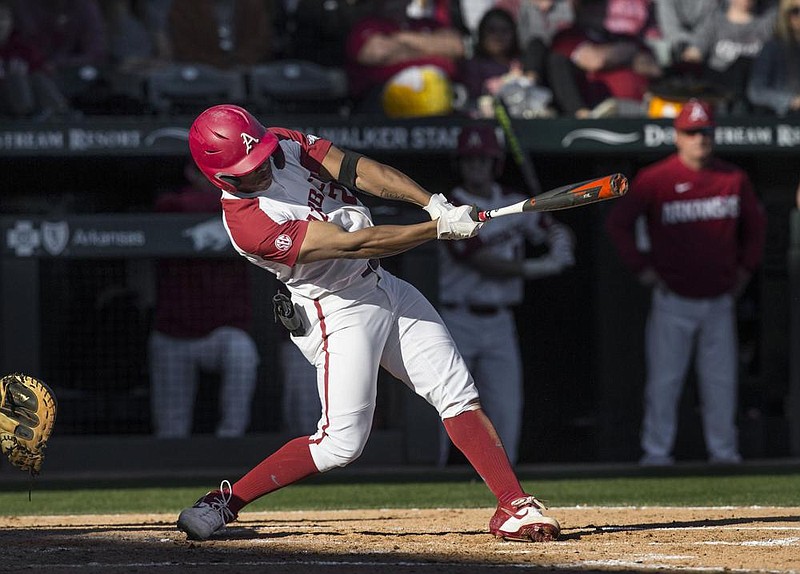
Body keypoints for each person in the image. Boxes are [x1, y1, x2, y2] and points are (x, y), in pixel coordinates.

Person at [175, 103, 561, 544]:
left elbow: (358, 170)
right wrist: (437, 230)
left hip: (382, 285)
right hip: (336, 310)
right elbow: (354, 243)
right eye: (249, 169)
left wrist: (433, 204)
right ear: (220, 177)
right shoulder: (249, 224)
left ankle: (513, 503)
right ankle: (226, 502)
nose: (262, 168)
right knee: (341, 444)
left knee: (457, 394)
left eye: (262, 157)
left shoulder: (282, 142)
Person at [605, 99, 767, 466]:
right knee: (665, 382)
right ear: (678, 136)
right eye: (692, 133)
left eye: (706, 132)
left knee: (721, 384)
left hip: (718, 299)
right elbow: (618, 223)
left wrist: (744, 271)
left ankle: (724, 454)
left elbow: (756, 230)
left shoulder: (733, 178)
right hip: (672, 298)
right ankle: (656, 455)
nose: (700, 140)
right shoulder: (656, 178)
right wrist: (642, 269)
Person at [437, 125, 575, 465]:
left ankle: (508, 486)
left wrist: (560, 240)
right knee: (446, 406)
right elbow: (481, 261)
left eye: (482, 160)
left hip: (500, 320)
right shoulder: (451, 206)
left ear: (495, 163)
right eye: (469, 161)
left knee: (506, 407)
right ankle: (435, 473)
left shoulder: (513, 202)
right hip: (457, 318)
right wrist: (544, 266)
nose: (476, 167)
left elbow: (550, 229)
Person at [148, 160, 260, 439]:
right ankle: (170, 466)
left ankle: (231, 439)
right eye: (208, 173)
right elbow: (169, 206)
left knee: (242, 352)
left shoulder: (246, 205)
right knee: (171, 430)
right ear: (191, 173)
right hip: (174, 334)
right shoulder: (172, 205)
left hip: (220, 334)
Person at [344, 0, 467, 116]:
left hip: (443, 99)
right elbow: (377, 53)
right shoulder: (367, 26)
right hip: (386, 104)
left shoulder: (427, 24)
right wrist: (432, 48)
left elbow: (456, 47)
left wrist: (401, 40)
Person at [547, 0, 662, 117]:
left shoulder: (623, 38)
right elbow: (595, 60)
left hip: (642, 110)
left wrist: (617, 55)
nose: (597, 10)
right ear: (576, 7)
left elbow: (653, 68)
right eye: (589, 5)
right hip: (599, 113)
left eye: (601, 4)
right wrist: (629, 53)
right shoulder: (568, 36)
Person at [678, 0, 778, 112]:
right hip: (719, 93)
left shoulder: (768, 21)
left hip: (756, 94)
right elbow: (693, 54)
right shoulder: (714, 21)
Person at [746, 0, 800, 116]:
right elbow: (756, 92)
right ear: (785, 15)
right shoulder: (772, 48)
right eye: (796, 11)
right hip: (782, 120)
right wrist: (791, 101)